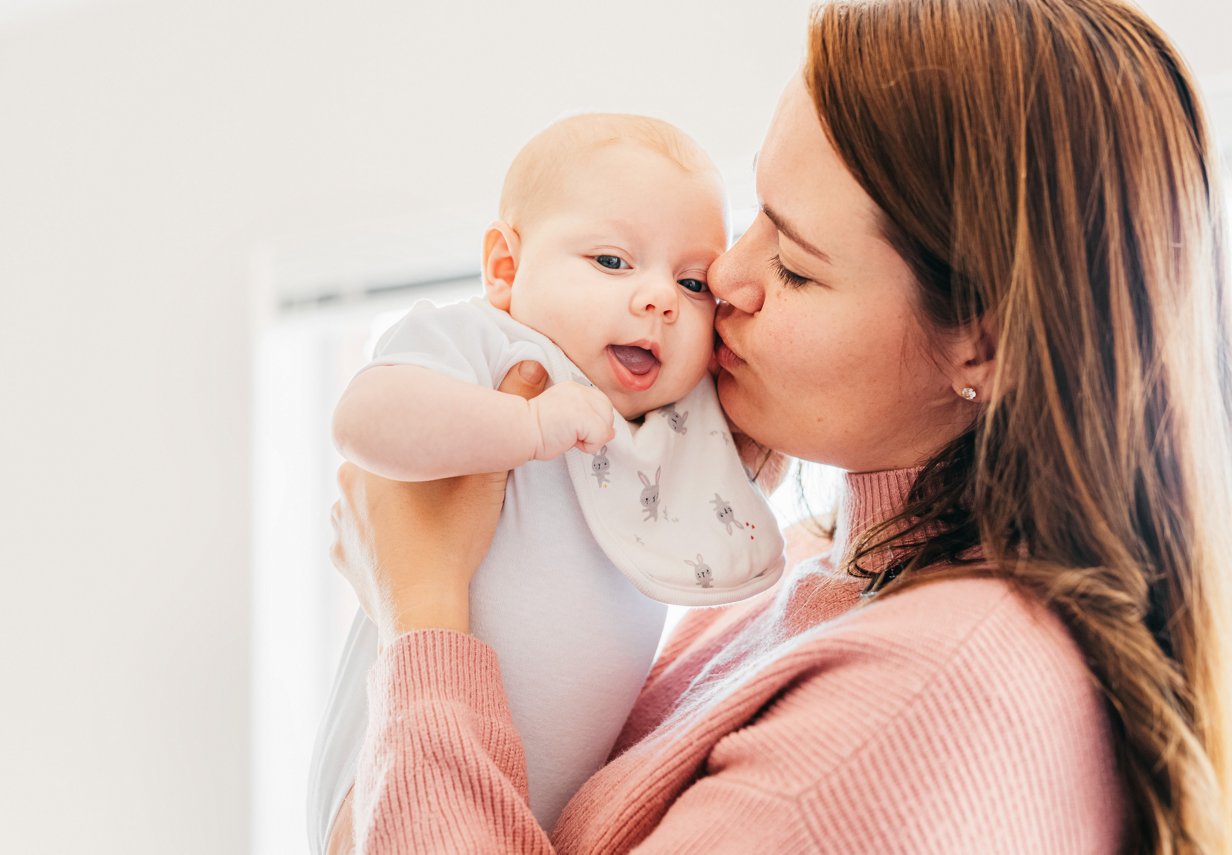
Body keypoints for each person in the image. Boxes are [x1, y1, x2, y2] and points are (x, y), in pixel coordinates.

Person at [329, 0, 1232, 850]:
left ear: (981, 345)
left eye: (795, 267)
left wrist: (424, 613)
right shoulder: (810, 568)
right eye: (754, 210)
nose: (722, 277)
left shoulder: (915, 707)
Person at [311, 114, 786, 851]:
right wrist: (522, 429)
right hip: (392, 769)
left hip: (529, 821)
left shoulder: (675, 425)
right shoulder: (487, 344)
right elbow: (364, 420)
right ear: (505, 267)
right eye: (612, 261)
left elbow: (730, 489)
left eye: (693, 281)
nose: (660, 297)